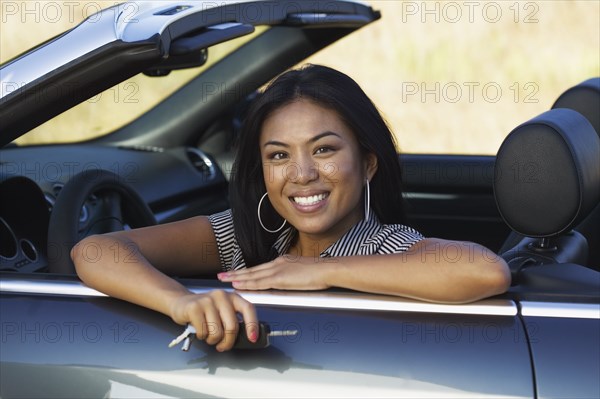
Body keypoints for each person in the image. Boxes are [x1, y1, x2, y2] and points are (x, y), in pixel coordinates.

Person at [72, 64, 511, 352]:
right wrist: (183, 304)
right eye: (279, 156)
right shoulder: (244, 238)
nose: (301, 174)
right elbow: (93, 252)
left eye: (323, 149)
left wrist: (318, 271)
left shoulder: (388, 247)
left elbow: (486, 271)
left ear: (368, 163)